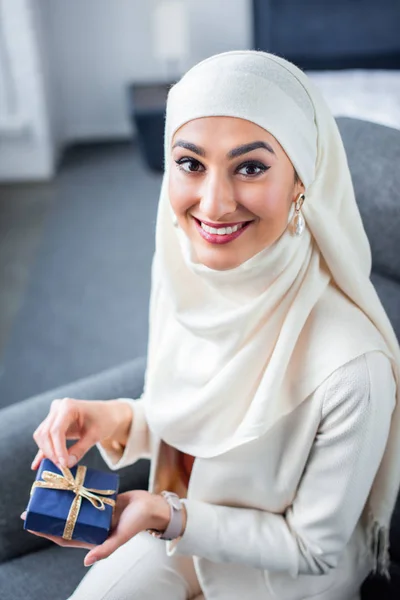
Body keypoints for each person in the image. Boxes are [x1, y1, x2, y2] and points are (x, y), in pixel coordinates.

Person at [22, 50, 400, 600]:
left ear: (302, 179)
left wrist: (168, 515)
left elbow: (314, 549)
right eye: (191, 164)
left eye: (250, 167)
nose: (214, 204)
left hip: (278, 580)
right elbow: (209, 416)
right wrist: (118, 419)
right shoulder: (187, 276)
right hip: (186, 533)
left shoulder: (353, 368)